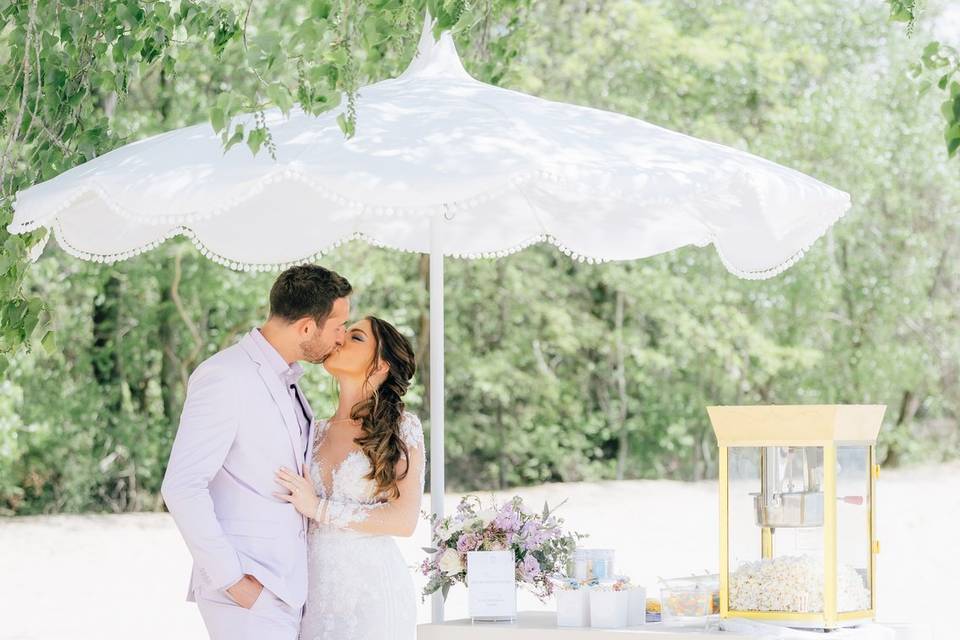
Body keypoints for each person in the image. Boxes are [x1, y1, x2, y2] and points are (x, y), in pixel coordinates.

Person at [161, 264, 352, 640]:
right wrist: (233, 580)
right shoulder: (225, 376)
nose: (342, 338)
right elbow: (182, 486)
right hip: (249, 588)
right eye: (338, 326)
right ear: (307, 328)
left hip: (288, 586)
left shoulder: (290, 380)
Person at [274, 315, 423, 640]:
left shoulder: (401, 428)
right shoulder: (311, 429)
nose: (340, 339)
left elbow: (404, 520)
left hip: (370, 596)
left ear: (381, 365)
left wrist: (319, 508)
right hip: (313, 598)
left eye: (356, 337)